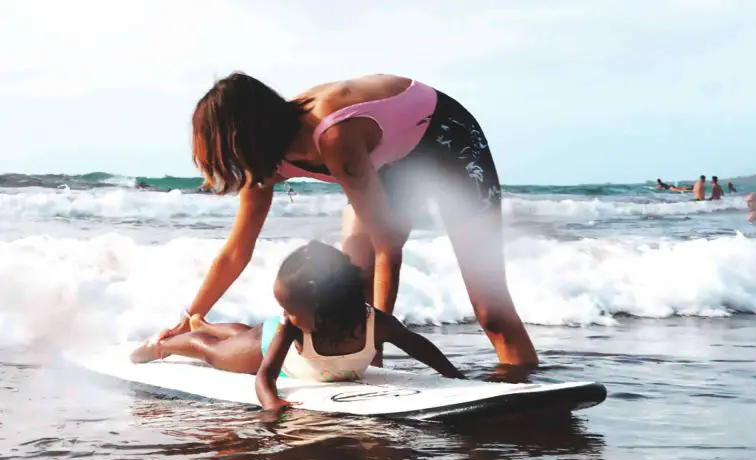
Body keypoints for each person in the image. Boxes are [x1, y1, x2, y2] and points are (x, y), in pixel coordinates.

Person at [150, 72, 538, 367]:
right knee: (353, 278)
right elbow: (236, 252)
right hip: (386, 159)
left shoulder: (333, 136)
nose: (229, 168)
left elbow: (388, 246)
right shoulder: (261, 163)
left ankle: (528, 395)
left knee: (492, 311)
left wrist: (376, 350)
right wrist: (190, 317)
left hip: (446, 140)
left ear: (245, 138)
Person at [131, 241, 465, 410]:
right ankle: (163, 344)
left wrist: (452, 375)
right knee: (215, 352)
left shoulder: (376, 324)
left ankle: (203, 322)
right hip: (269, 349)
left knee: (244, 332)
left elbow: (418, 345)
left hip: (270, 338)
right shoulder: (291, 326)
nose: (285, 314)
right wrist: (271, 403)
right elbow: (265, 376)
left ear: (325, 305)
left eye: (289, 308)